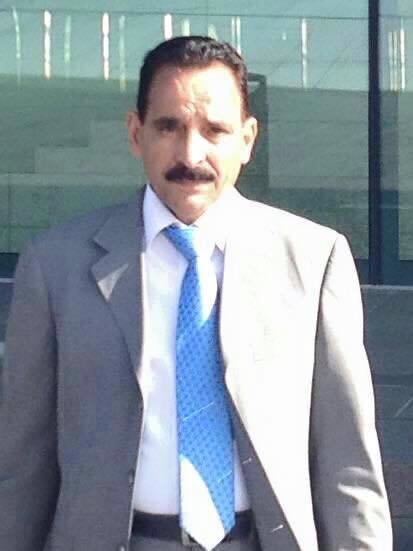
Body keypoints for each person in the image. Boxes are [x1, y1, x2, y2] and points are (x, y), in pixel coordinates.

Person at [0, 36, 392, 551]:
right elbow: (21, 465)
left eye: (215, 130)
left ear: (247, 139)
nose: (191, 154)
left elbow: (348, 463)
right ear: (136, 133)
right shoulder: (56, 266)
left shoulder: (313, 260)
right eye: (169, 127)